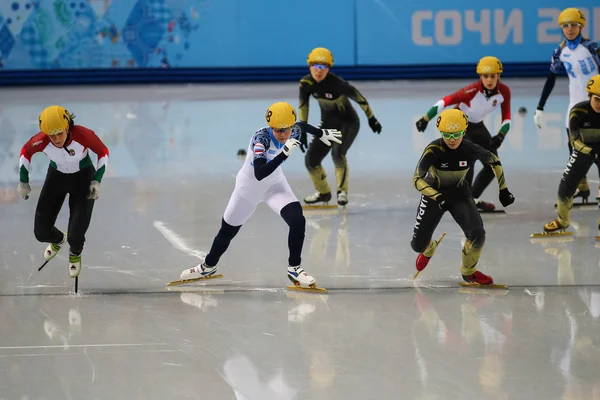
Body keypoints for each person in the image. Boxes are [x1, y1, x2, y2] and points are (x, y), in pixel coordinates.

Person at [178, 102, 342, 288]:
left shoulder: (293, 129)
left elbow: (301, 126)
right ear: (270, 126)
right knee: (227, 232)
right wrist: (284, 154)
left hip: (275, 186)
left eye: (285, 130)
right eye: (277, 130)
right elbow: (259, 173)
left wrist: (321, 133)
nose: (282, 134)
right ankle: (208, 266)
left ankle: (294, 268)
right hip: (248, 190)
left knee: (298, 220)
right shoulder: (261, 139)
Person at [411, 108, 515, 285]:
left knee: (477, 234)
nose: (452, 140)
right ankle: (429, 249)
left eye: (456, 134)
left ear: (464, 131)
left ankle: (469, 271)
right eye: (447, 134)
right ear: (440, 132)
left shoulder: (470, 149)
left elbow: (494, 162)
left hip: (459, 193)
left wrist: (503, 189)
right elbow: (416, 180)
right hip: (434, 193)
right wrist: (437, 197)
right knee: (418, 246)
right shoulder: (433, 149)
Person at [17, 105, 109, 279]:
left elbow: (103, 152)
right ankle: (59, 240)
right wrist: (23, 180)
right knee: (41, 233)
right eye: (51, 135)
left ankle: (75, 252)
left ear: (67, 126)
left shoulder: (83, 135)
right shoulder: (41, 140)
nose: (56, 138)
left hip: (83, 179)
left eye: (60, 133)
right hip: (56, 178)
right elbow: (25, 152)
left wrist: (97, 179)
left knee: (76, 236)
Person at [416, 56, 511, 212]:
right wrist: (425, 118)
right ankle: (463, 200)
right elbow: (446, 100)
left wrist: (501, 135)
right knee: (468, 159)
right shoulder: (471, 91)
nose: (489, 80)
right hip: (460, 124)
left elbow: (507, 117)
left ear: (498, 76)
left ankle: (472, 198)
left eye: (492, 76)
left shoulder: (504, 92)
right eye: (485, 76)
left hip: (477, 125)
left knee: (492, 164)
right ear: (480, 76)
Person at [299, 47, 382, 206]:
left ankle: (341, 191)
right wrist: (303, 128)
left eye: (323, 67)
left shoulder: (337, 84)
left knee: (337, 154)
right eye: (315, 65)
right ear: (309, 66)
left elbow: (361, 99)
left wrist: (372, 119)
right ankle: (323, 193)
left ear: (329, 68)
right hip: (328, 125)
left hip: (348, 123)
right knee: (311, 161)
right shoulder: (305, 84)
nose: (319, 70)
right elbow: (304, 106)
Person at [534, 7, 600, 201]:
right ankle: (583, 187)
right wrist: (540, 106)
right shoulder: (560, 51)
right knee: (574, 150)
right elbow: (551, 78)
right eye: (565, 26)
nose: (569, 29)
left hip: (596, 102)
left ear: (581, 27)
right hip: (575, 104)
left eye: (573, 25)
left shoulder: (592, 48)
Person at [542, 75, 600, 234]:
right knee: (566, 186)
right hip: (583, 149)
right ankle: (562, 221)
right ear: (588, 96)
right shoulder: (578, 111)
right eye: (597, 99)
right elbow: (574, 140)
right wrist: (589, 151)